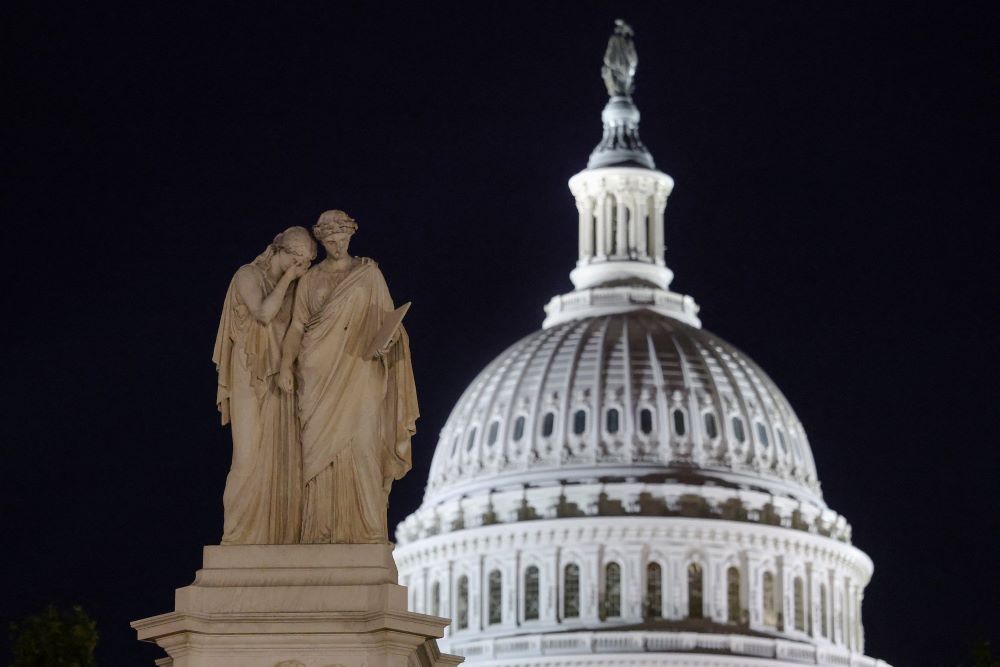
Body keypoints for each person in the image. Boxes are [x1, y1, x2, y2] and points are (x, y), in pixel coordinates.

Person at [279, 210, 417, 544]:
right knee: (316, 457)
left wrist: (389, 342)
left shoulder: (369, 274)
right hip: (317, 374)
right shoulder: (310, 279)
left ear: (351, 236)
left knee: (364, 446)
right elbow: (297, 326)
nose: (337, 245)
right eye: (330, 240)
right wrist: (285, 365)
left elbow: (390, 323)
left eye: (342, 239)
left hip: (361, 373)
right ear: (322, 240)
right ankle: (319, 531)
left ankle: (366, 530)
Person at [212, 226, 316, 544]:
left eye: (307, 262)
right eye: (297, 258)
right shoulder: (247, 275)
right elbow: (263, 313)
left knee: (283, 459)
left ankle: (277, 534)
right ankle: (237, 535)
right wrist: (288, 279)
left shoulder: (296, 289)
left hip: (281, 381)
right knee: (247, 457)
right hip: (250, 375)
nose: (302, 268)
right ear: (279, 250)